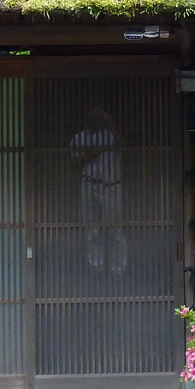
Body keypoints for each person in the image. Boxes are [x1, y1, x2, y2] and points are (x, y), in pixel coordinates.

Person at [70, 106, 125, 273]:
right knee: (92, 227)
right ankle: (95, 266)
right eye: (92, 115)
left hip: (111, 184)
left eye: (99, 115)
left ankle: (118, 268)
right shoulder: (79, 138)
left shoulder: (110, 135)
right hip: (89, 183)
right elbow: (75, 162)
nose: (95, 118)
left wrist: (112, 124)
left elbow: (124, 147)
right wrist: (95, 152)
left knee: (116, 227)